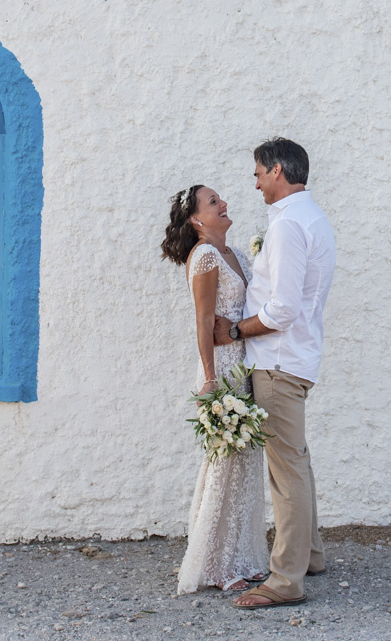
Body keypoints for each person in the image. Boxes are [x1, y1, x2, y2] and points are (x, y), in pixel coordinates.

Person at [214, 138, 336, 610]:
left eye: (259, 174)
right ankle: (310, 556)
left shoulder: (287, 226)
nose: (257, 184)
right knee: (296, 461)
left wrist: (235, 331)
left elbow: (282, 309)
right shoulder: (311, 218)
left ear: (278, 171)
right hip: (295, 358)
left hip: (278, 361)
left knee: (286, 472)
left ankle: (286, 580)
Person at [163, 184, 269, 595]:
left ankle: (242, 557)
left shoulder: (236, 254)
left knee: (244, 466)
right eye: (213, 202)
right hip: (222, 370)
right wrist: (209, 377)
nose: (223, 203)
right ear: (196, 219)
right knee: (223, 464)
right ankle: (214, 565)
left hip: (243, 365)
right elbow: (204, 320)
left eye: (220, 199)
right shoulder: (205, 255)